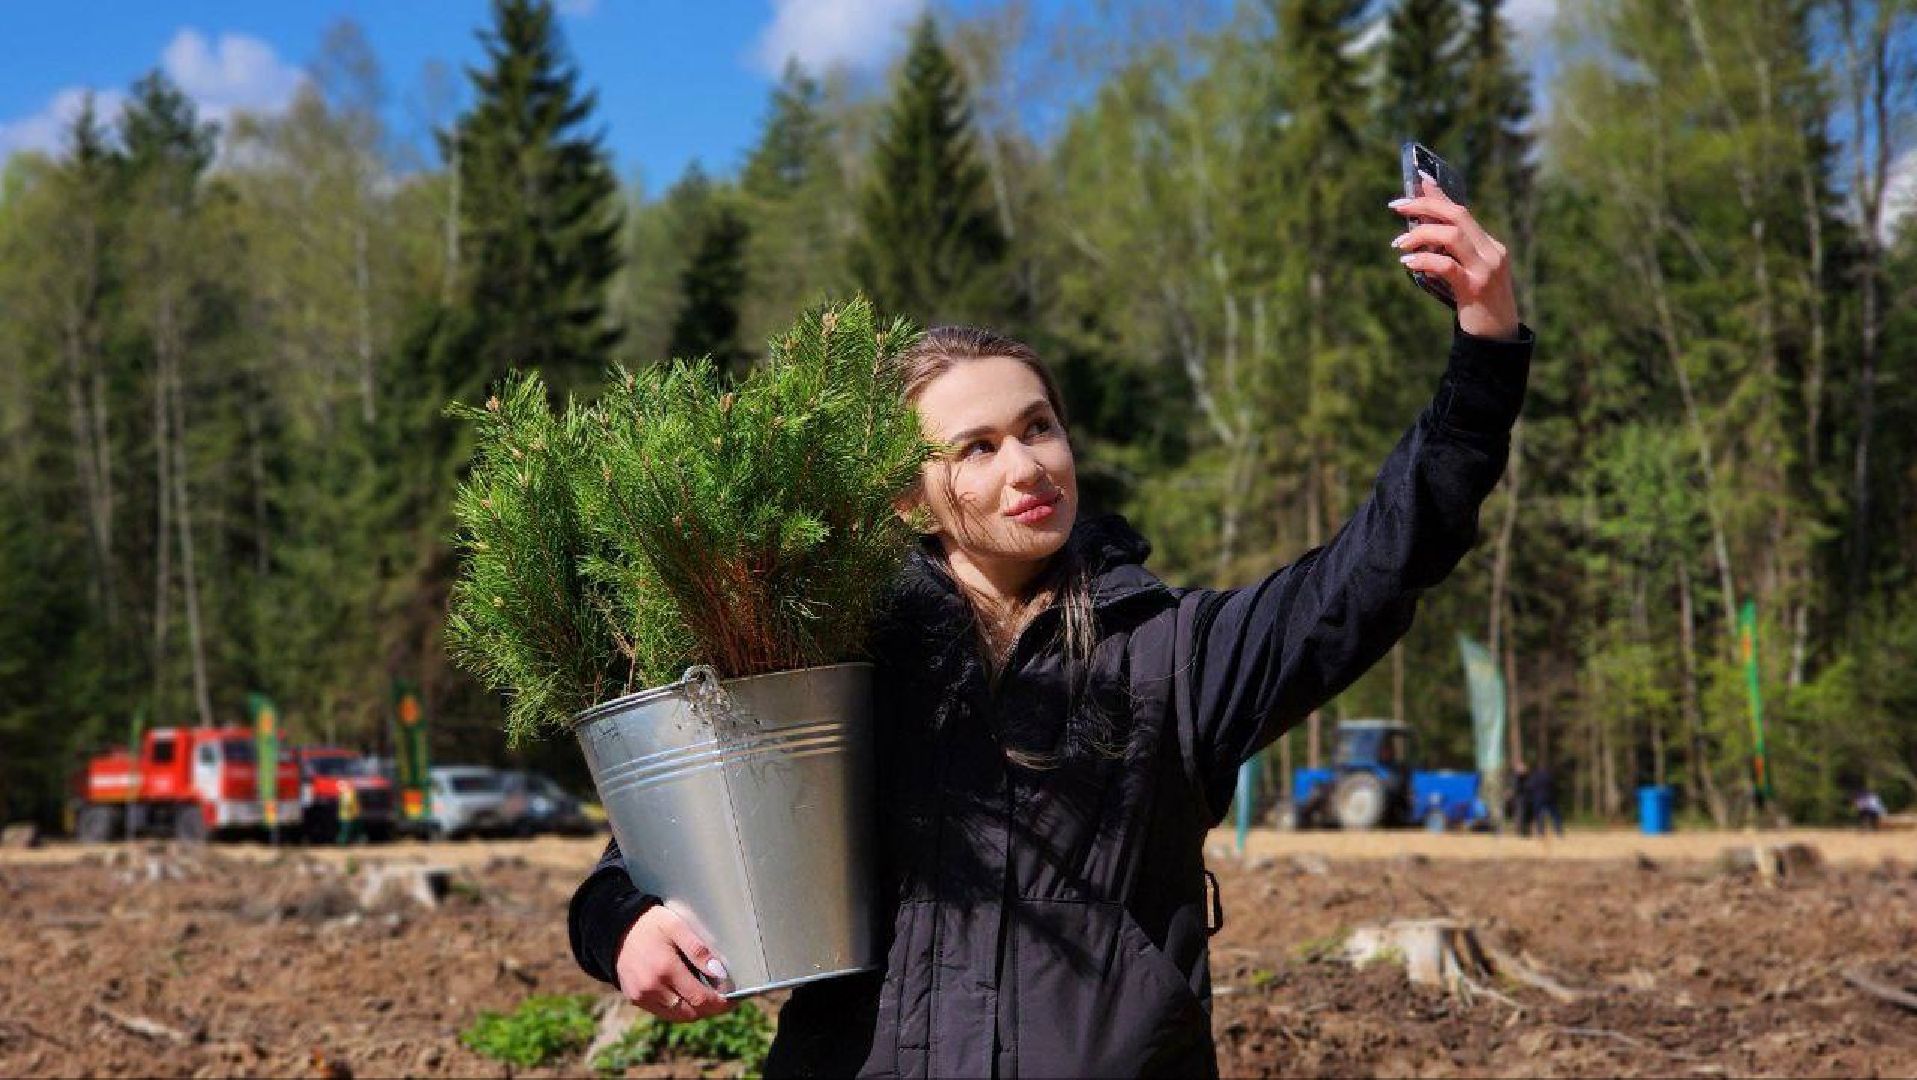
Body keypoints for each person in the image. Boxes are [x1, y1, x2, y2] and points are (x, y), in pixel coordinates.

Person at [568, 177, 1533, 1076]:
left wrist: (1483, 356)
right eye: (975, 449)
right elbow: (654, 854)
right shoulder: (837, 667)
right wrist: (622, 926)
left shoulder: (1174, 656)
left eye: (1037, 428)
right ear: (909, 501)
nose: (1025, 467)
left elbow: (1379, 566)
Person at [1522, 762, 1563, 838]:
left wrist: (1529, 797)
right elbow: (1556, 787)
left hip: (1538, 799)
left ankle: (1541, 832)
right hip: (1551, 798)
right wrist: (1556, 796)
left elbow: (1529, 787)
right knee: (1555, 815)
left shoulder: (1534, 777)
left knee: (1539, 816)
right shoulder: (1550, 776)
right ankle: (1559, 831)